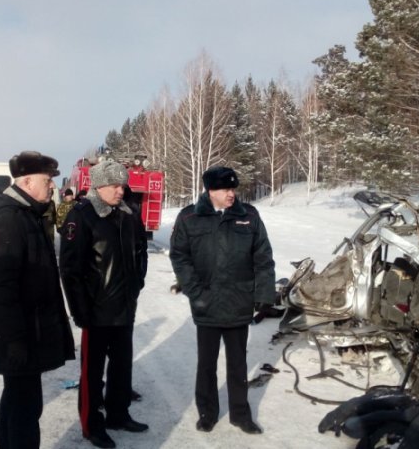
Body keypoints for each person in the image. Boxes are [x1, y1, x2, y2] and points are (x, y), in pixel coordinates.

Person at [169, 165, 275, 435]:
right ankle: (207, 412)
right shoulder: (190, 217)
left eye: (233, 189)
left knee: (238, 363)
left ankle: (240, 414)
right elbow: (180, 256)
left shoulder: (248, 216)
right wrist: (196, 292)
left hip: (239, 301)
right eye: (225, 189)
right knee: (207, 363)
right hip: (207, 303)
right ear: (210, 191)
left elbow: (263, 258)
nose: (231, 194)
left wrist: (263, 295)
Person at [0, 151, 75, 449]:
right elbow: (2, 289)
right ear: (27, 181)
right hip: (19, 336)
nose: (52, 187)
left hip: (28, 333)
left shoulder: (27, 214)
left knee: (17, 403)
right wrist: (14, 341)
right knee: (24, 409)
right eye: (47, 180)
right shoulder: (9, 219)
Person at [60, 161, 148, 449]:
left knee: (122, 367)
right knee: (92, 373)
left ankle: (118, 414)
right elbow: (70, 269)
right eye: (114, 185)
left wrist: (136, 285)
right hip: (95, 311)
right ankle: (92, 424)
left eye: (123, 185)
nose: (120, 191)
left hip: (124, 307)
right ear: (98, 185)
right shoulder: (82, 216)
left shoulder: (128, 215)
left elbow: (140, 253)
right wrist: (79, 309)